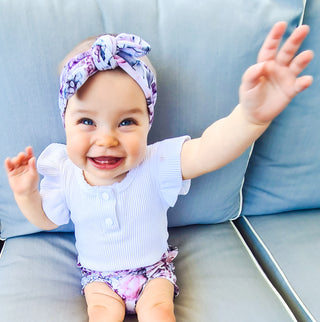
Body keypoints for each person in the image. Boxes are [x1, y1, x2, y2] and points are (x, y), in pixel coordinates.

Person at [4, 22, 313, 322]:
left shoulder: (155, 163)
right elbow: (46, 218)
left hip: (153, 272)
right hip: (98, 277)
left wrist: (249, 118)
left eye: (126, 122)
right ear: (65, 123)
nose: (107, 140)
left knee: (159, 313)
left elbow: (209, 150)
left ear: (147, 123)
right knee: (102, 314)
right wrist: (27, 193)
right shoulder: (66, 172)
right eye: (87, 122)